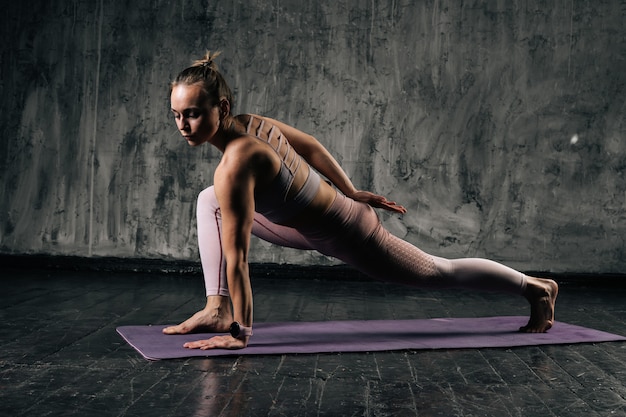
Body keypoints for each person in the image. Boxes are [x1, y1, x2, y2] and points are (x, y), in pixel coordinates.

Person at [162, 51, 559, 350]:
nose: (183, 125)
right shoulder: (249, 123)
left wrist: (242, 333)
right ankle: (216, 308)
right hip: (313, 221)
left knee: (438, 272)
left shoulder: (235, 164)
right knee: (208, 201)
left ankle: (535, 288)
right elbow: (312, 146)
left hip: (348, 232)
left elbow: (238, 257)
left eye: (193, 114)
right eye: (177, 114)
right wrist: (350, 189)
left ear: (222, 108)